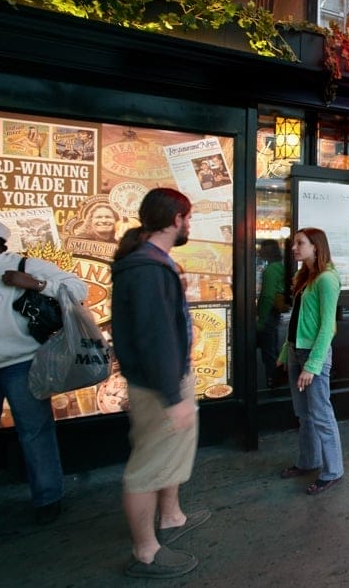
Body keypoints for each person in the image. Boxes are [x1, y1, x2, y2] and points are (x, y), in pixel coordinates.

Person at [111, 189, 209, 579]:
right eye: (188, 218)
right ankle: (146, 550)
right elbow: (154, 338)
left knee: (168, 455)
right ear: (175, 219)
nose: (190, 225)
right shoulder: (148, 268)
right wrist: (173, 396)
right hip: (159, 385)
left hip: (167, 379)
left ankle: (170, 515)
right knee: (147, 467)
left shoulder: (152, 262)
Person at [0, 218, 86, 524]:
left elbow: (77, 288)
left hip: (21, 362)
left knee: (35, 431)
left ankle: (48, 498)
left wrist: (38, 284)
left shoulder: (24, 264)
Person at [277, 228, 344, 495]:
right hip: (296, 351)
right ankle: (308, 462)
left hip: (313, 356)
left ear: (316, 247)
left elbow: (327, 327)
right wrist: (286, 352)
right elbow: (297, 321)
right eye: (294, 243)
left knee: (321, 415)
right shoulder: (304, 277)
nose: (294, 247)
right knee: (304, 415)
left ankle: (333, 471)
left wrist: (312, 365)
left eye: (300, 243)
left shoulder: (327, 279)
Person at [256, 239, 286, 388]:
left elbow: (268, 296)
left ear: (268, 252)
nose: (259, 251)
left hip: (268, 314)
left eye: (262, 249)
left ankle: (273, 379)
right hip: (275, 313)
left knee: (268, 350)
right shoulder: (279, 267)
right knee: (273, 346)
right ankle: (277, 377)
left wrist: (260, 319)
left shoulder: (270, 270)